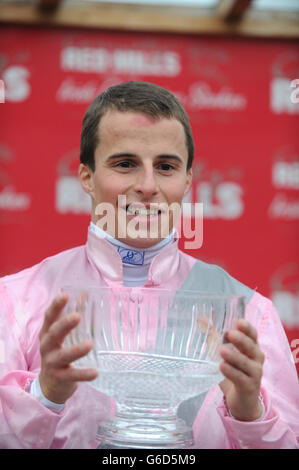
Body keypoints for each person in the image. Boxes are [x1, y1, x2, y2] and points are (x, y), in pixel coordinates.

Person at [0, 81, 298, 449]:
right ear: (86, 177)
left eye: (166, 167)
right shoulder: (15, 302)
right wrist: (45, 394)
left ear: (188, 181)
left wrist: (249, 413)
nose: (147, 185)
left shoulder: (248, 314)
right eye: (125, 164)